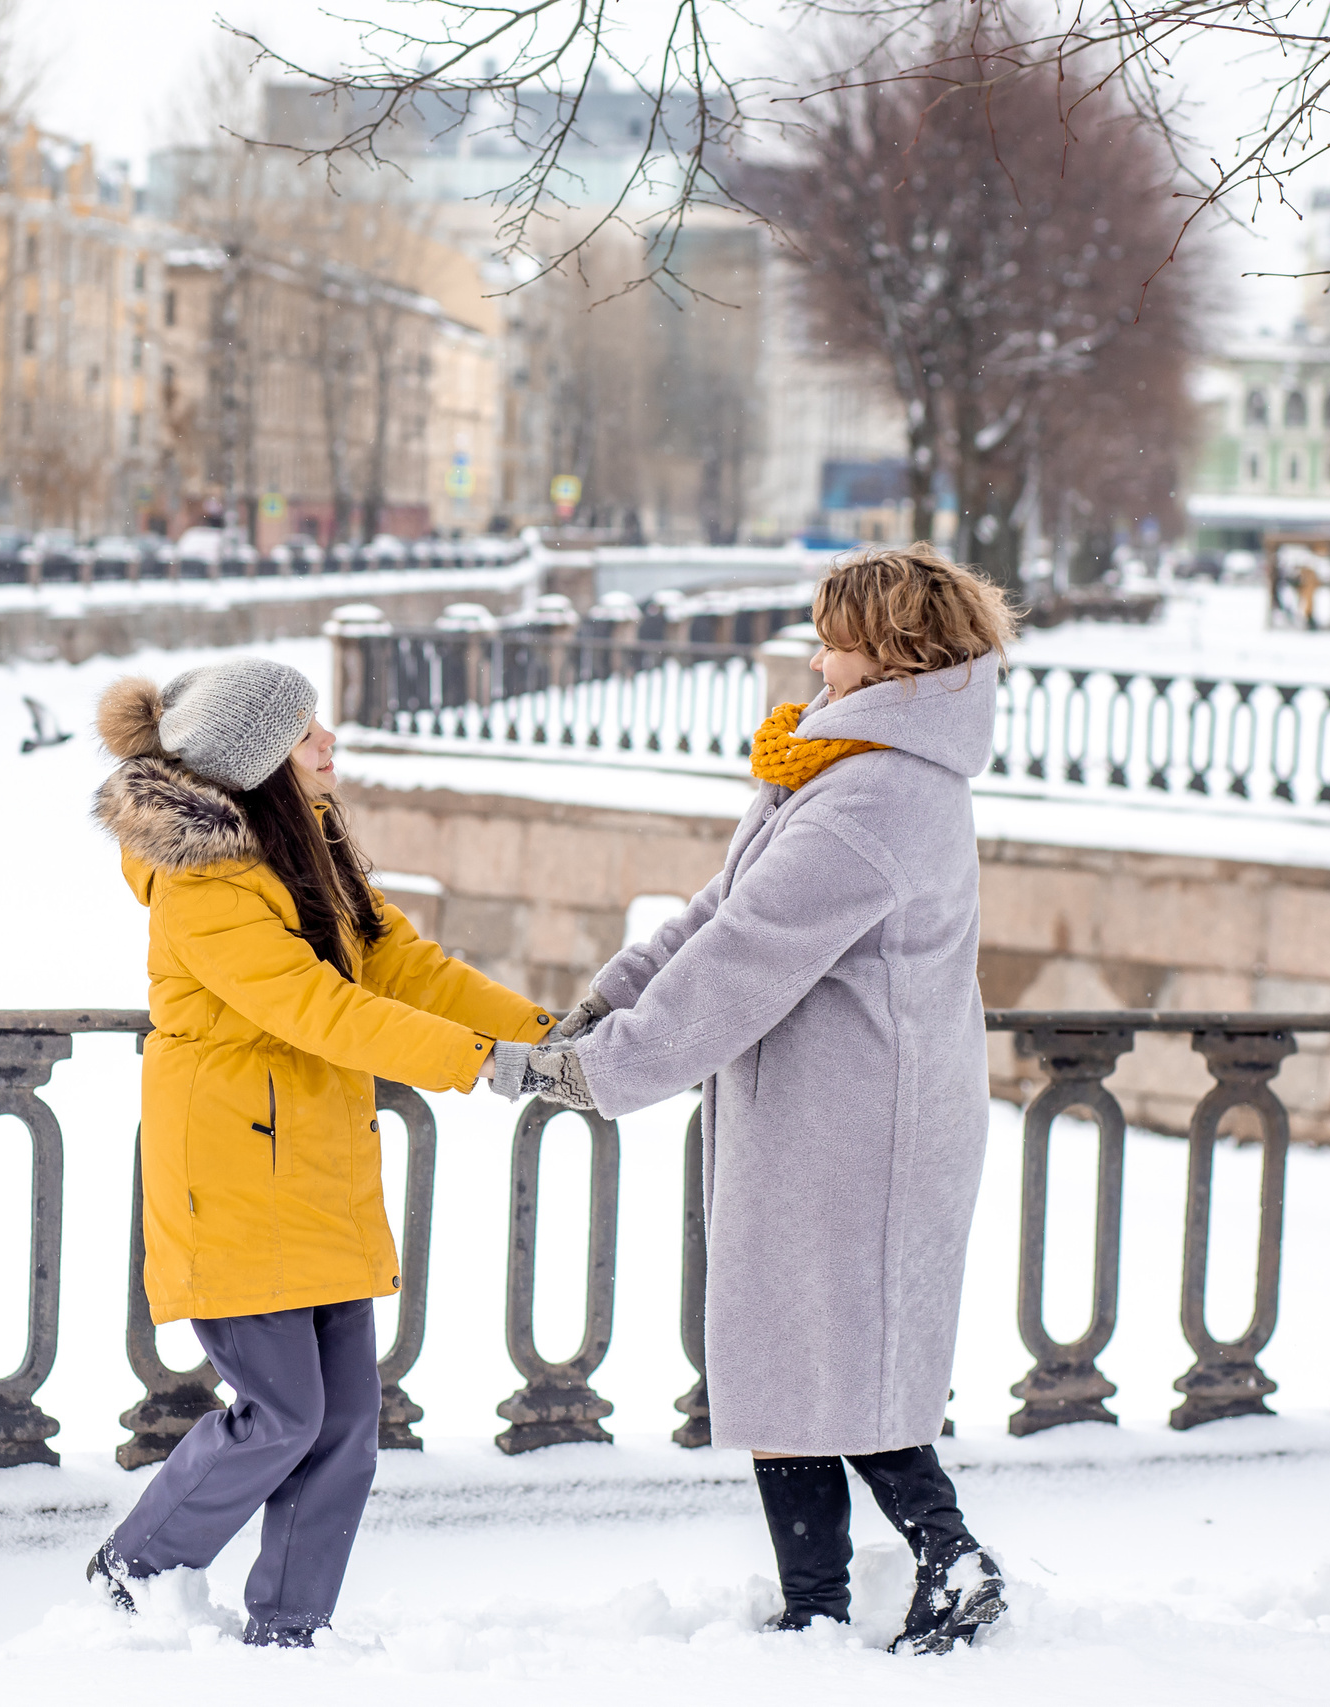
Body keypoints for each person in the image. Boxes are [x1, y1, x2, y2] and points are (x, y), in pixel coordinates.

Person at [486, 544, 1014, 1654]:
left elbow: (743, 958)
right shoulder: (840, 767)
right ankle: (815, 1604)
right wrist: (605, 1002)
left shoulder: (879, 793)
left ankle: (949, 1557)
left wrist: (607, 1068)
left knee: (839, 1358)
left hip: (861, 1123)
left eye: (831, 635)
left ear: (889, 655)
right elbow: (715, 912)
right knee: (788, 1356)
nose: (812, 652)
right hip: (815, 1110)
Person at [86, 658, 556, 1648]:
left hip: (314, 1170)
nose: (330, 745)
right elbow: (317, 1010)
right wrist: (480, 1064)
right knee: (283, 1415)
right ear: (260, 761)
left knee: (344, 1426)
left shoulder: (304, 843)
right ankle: (133, 1571)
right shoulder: (201, 882)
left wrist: (543, 1033)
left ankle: (290, 1628)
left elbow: (396, 961)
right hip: (231, 1176)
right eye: (309, 734)